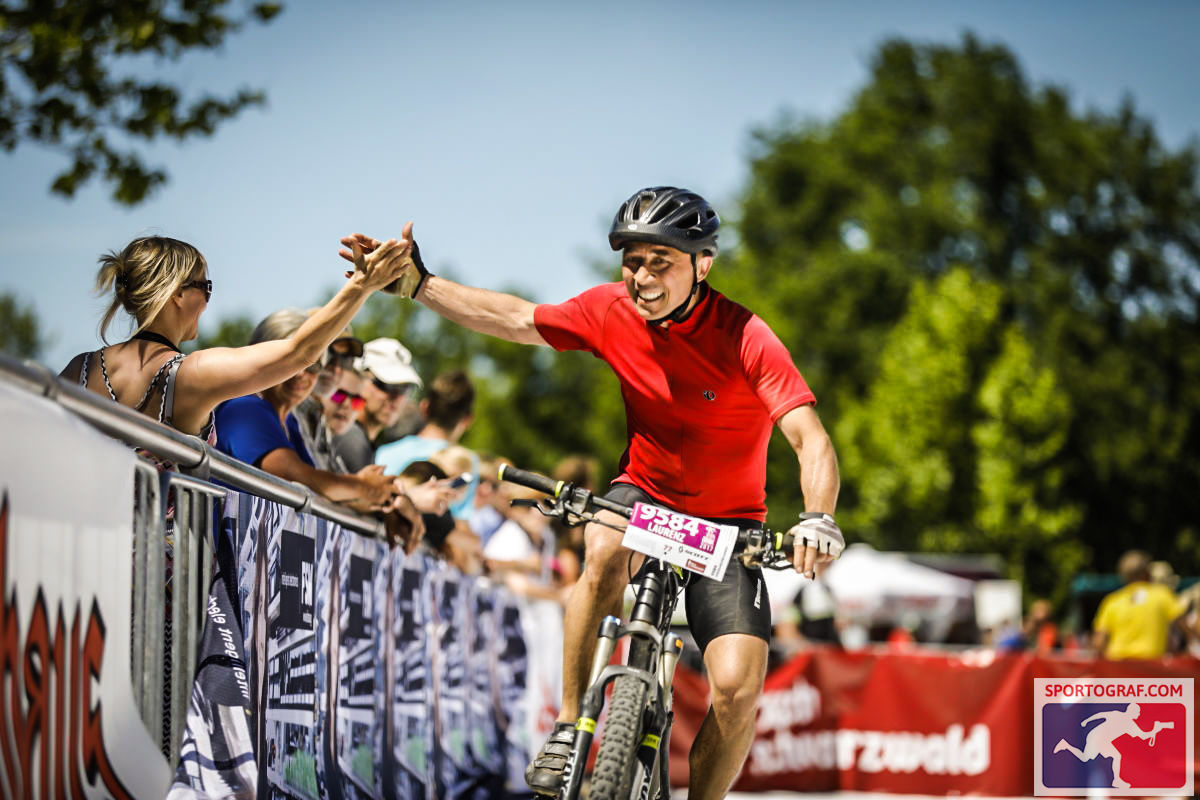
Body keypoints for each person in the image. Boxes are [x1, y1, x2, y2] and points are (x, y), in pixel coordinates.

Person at [342, 186, 843, 799]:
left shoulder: (745, 335)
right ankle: (567, 726)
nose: (643, 277)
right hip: (647, 494)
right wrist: (421, 285)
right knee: (603, 544)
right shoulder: (611, 310)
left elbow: (810, 438)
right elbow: (516, 318)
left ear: (702, 265)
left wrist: (818, 517)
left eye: (661, 262)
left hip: (729, 526)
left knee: (738, 691)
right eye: (633, 261)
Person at [60, 231, 414, 469]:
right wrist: (363, 285)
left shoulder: (81, 368)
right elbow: (300, 353)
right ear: (178, 293)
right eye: (205, 287)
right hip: (162, 556)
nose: (208, 300)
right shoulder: (191, 373)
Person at [215, 310, 397, 510]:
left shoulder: (290, 422)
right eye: (290, 360)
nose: (300, 373)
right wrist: (362, 487)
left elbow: (320, 489)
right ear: (261, 355)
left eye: (312, 363)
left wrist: (384, 501)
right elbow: (295, 475)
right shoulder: (245, 409)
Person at [375, 369, 480, 518]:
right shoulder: (466, 463)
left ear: (424, 407)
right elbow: (459, 522)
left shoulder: (384, 452)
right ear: (468, 419)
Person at [332, 337, 422, 472]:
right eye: (388, 385)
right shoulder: (351, 439)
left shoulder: (360, 440)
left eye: (405, 389)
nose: (397, 397)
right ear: (359, 378)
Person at [1092, 550, 1188, 659]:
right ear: (1145, 573)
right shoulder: (1162, 595)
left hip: (1119, 664)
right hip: (1152, 664)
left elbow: (1099, 642)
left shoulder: (1112, 601)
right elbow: (1184, 625)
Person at [294, 328, 364, 471]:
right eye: (328, 354)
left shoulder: (317, 416)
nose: (336, 369)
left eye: (345, 360)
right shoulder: (289, 408)